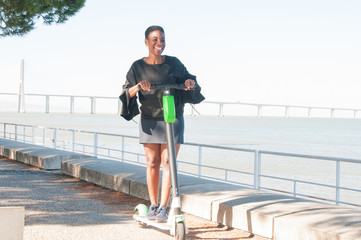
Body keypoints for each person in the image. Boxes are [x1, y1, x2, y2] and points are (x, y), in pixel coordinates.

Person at [119, 25, 204, 222]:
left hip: (172, 117)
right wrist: (139, 86)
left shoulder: (174, 63)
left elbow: (189, 81)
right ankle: (153, 205)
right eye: (155, 40)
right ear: (146, 42)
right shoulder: (137, 67)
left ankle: (164, 208)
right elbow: (126, 92)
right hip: (149, 119)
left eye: (162, 39)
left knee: (168, 163)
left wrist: (190, 83)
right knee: (152, 163)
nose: (160, 44)